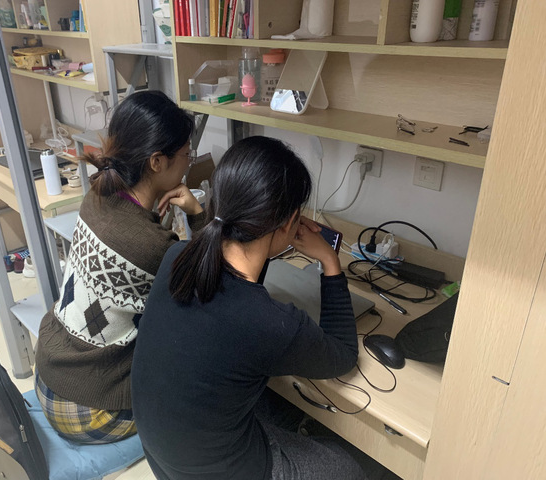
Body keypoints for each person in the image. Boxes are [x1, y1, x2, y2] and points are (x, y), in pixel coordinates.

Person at [131, 136, 365, 479]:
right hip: (218, 472)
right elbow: (343, 356)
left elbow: (243, 284)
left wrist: (273, 235)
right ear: (289, 221)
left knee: (276, 407)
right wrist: (330, 261)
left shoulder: (177, 257)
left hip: (163, 456)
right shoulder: (269, 323)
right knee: (349, 467)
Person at [34, 91, 205, 444]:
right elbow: (208, 286)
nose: (188, 164)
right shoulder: (155, 246)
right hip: (89, 409)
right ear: (157, 162)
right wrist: (198, 215)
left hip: (49, 375)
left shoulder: (95, 197)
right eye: (186, 155)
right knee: (197, 361)